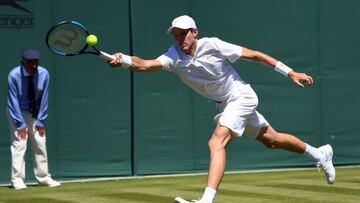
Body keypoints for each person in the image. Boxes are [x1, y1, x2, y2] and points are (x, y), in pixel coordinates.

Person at [107, 15, 335, 203]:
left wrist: (290, 72)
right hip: (226, 104)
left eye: (183, 32)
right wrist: (124, 59)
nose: (179, 38)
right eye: (175, 34)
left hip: (241, 96)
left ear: (195, 32)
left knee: (216, 142)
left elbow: (255, 55)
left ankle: (206, 201)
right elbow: (146, 65)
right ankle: (320, 153)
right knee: (272, 140)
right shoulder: (173, 56)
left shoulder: (213, 45)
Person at [7, 48, 61, 190]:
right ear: (23, 62)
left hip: (35, 112)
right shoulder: (13, 75)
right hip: (16, 111)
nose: (34, 65)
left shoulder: (44, 73)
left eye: (36, 62)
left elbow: (44, 99)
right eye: (30, 62)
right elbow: (12, 101)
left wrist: (40, 120)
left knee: (40, 142)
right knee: (20, 143)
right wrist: (20, 124)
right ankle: (17, 180)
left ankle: (43, 178)